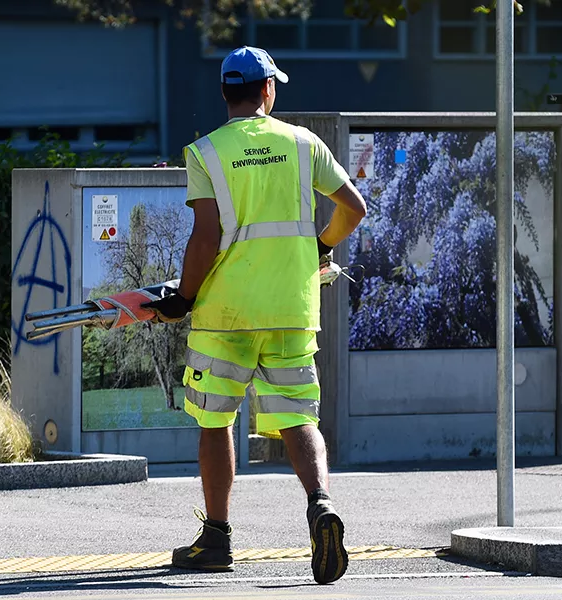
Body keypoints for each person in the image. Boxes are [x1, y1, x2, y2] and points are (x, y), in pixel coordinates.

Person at [141, 45, 367, 585]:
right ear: (268, 90)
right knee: (297, 417)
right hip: (291, 310)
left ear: (224, 93)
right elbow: (353, 208)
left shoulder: (205, 153)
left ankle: (216, 537)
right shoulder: (303, 143)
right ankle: (320, 507)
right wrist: (320, 247)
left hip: (225, 313)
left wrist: (183, 298)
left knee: (215, 420)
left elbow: (206, 236)